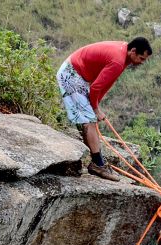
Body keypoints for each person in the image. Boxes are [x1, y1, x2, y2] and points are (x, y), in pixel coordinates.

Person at [57, 38, 152, 181]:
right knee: (89, 120)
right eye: (141, 58)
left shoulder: (123, 53)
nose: (142, 62)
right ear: (133, 51)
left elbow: (104, 85)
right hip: (71, 74)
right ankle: (97, 164)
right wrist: (95, 109)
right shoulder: (118, 61)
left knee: (89, 117)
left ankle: (94, 157)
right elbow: (96, 87)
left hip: (75, 71)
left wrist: (95, 106)